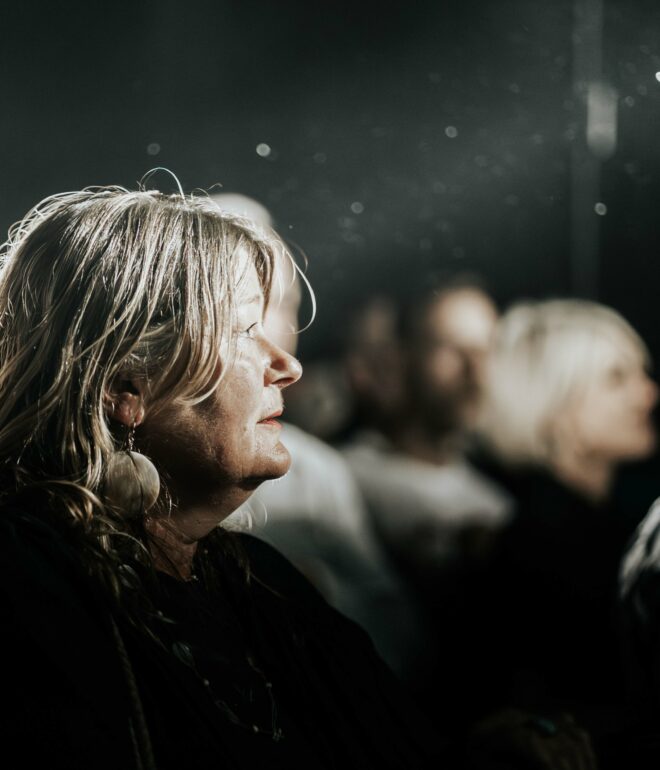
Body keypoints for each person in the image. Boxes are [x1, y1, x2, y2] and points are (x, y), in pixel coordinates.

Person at [0, 185, 441, 769]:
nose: (288, 365)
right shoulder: (26, 586)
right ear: (126, 387)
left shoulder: (263, 583)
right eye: (242, 331)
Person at [476, 299, 658, 761]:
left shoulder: (608, 521)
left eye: (641, 373)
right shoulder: (541, 545)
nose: (648, 393)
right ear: (554, 407)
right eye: (616, 378)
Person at [341, 282, 512, 727]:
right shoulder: (343, 478)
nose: (475, 370)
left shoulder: (501, 495)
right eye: (452, 349)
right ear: (402, 358)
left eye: (486, 349)